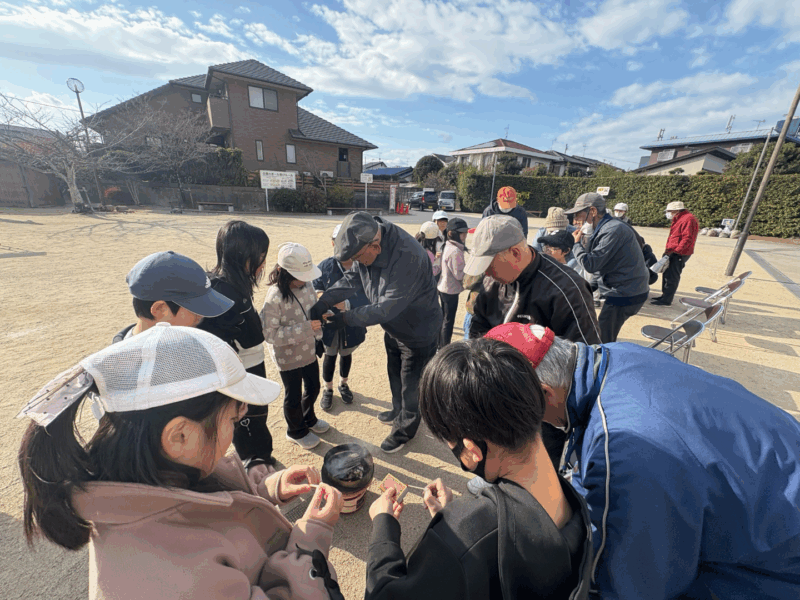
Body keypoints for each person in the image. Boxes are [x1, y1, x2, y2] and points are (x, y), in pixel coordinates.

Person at [17, 324, 345, 600]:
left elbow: (201, 503)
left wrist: (267, 489)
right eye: (233, 418)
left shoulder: (147, 473)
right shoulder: (173, 580)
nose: (236, 427)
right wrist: (309, 542)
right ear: (180, 435)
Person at [486, 321, 800, 600]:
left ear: (545, 394)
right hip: (773, 479)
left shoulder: (622, 449)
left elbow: (634, 582)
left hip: (776, 563)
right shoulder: (615, 355)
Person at [364, 337, 593, 599]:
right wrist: (457, 518)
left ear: (472, 451)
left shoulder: (460, 537)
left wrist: (384, 527)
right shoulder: (573, 495)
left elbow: (384, 595)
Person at [316, 212, 442, 453]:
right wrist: (324, 301)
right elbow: (353, 278)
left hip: (418, 331)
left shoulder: (408, 256)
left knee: (411, 385)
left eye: (358, 258)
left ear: (375, 246)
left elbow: (385, 309)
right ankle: (397, 410)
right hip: (394, 327)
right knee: (395, 373)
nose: (358, 262)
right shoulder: (369, 240)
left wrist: (343, 319)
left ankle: (405, 430)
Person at [197, 221, 275, 468]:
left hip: (239, 364)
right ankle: (256, 462)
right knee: (250, 416)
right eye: (261, 255)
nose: (264, 262)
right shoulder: (228, 294)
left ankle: (256, 455)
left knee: (247, 415)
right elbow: (254, 337)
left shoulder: (219, 283)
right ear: (244, 256)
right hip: (241, 368)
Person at [465, 215, 600, 345]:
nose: (486, 273)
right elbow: (478, 328)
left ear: (515, 253)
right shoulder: (491, 280)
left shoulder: (568, 290)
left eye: (489, 264)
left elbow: (584, 352)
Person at [260, 243, 329, 450]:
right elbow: (270, 334)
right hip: (287, 356)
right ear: (284, 273)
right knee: (294, 395)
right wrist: (306, 328)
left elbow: (312, 310)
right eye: (301, 276)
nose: (306, 280)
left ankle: (308, 418)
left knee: (314, 387)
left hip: (308, 349)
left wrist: (322, 314)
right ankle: (295, 431)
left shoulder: (307, 286)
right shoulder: (274, 297)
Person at [567, 192, 650, 343]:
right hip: (625, 286)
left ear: (592, 211)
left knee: (602, 337)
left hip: (626, 292)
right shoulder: (605, 227)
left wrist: (576, 244)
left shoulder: (613, 230)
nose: (576, 220)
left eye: (579, 215)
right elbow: (601, 265)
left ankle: (603, 357)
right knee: (601, 330)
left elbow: (590, 264)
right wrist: (586, 289)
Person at [113, 250, 234, 343]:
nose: (201, 316)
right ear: (160, 309)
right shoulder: (118, 364)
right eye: (195, 309)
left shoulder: (188, 344)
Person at [312, 224, 369, 412]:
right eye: (338, 241)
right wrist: (320, 295)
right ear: (333, 243)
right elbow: (315, 285)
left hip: (353, 321)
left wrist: (348, 304)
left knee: (346, 354)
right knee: (329, 355)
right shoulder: (325, 265)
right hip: (329, 322)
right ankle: (327, 389)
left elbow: (370, 296)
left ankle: (343, 384)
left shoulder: (363, 266)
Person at [651, 200, 699, 306]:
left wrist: (677, 251)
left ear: (676, 210)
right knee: (667, 274)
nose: (668, 213)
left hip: (679, 253)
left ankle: (667, 299)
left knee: (672, 276)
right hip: (673, 251)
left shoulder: (688, 219)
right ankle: (664, 296)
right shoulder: (680, 218)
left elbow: (687, 238)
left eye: (670, 211)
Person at [437, 217, 468, 348]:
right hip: (450, 290)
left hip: (443, 287)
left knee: (443, 318)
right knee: (448, 321)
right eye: (462, 233)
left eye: (466, 232)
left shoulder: (448, 245)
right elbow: (459, 274)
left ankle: (439, 344)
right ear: (452, 233)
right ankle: (444, 347)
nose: (465, 235)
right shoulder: (455, 251)